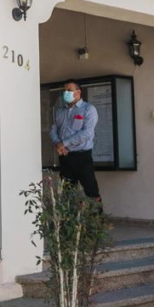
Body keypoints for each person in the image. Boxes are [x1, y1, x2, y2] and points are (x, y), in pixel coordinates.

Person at [49, 80, 103, 213]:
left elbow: (86, 133)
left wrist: (64, 143)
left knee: (91, 191)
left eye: (69, 90)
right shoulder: (60, 111)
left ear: (78, 92)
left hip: (82, 156)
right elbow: (53, 129)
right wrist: (58, 143)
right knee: (67, 192)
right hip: (65, 156)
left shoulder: (88, 109)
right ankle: (69, 221)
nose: (65, 93)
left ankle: (97, 222)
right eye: (64, 90)